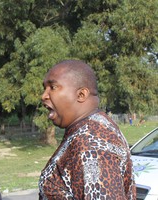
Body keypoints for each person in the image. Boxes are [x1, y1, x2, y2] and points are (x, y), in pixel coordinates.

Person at [39, 60, 136, 199]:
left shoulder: (91, 143)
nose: (44, 96)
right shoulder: (87, 129)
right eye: (45, 88)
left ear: (81, 95)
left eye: (53, 87)